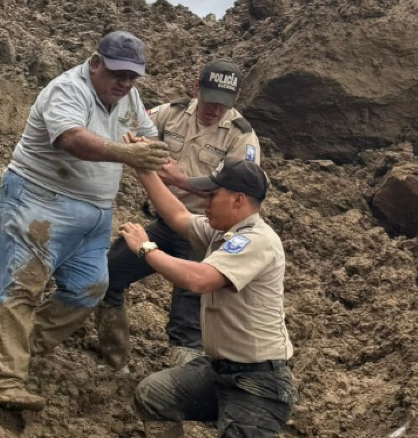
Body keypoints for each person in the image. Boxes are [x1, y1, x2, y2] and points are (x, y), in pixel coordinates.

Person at [0, 31, 170, 411]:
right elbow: (71, 139)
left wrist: (147, 147)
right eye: (117, 73)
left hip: (95, 213)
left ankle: (26, 345)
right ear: (95, 62)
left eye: (132, 77)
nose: (124, 83)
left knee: (90, 287)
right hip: (40, 199)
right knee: (21, 285)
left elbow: (145, 133)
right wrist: (125, 154)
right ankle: (4, 379)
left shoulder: (127, 95)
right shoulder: (67, 89)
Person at [97, 59, 261, 369]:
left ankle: (180, 393)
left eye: (223, 105)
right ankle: (114, 360)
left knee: (187, 325)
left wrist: (181, 180)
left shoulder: (241, 137)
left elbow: (242, 196)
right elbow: (130, 126)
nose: (214, 110)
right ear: (196, 88)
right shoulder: (171, 113)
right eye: (209, 100)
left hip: (204, 233)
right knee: (107, 275)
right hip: (165, 224)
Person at [118, 158, 295, 437]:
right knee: (155, 394)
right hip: (218, 370)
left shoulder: (256, 240)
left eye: (212, 195)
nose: (205, 202)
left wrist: (146, 248)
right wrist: (144, 171)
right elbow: (177, 215)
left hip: (257, 383)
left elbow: (199, 279)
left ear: (237, 200)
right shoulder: (222, 232)